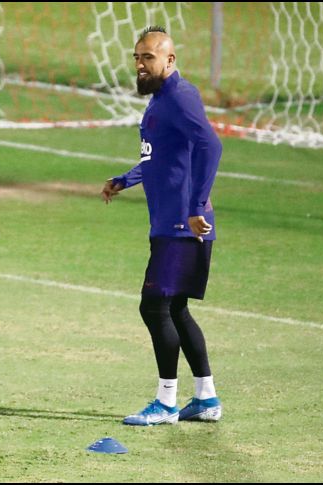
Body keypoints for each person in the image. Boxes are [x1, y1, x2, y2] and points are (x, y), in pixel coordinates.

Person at [101, 26, 223, 426]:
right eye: (137, 57)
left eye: (148, 58)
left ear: (170, 60)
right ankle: (205, 397)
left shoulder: (179, 96)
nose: (140, 65)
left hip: (183, 226)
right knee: (176, 309)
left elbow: (210, 145)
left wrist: (195, 205)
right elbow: (160, 157)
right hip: (172, 224)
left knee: (154, 307)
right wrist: (126, 179)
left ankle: (166, 402)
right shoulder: (161, 100)